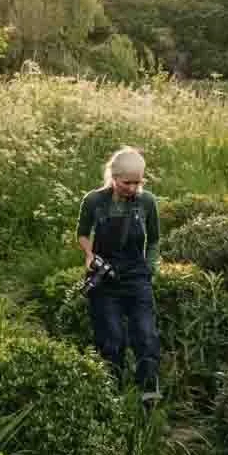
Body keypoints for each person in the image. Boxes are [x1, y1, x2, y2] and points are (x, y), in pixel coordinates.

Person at [76, 147, 161, 406]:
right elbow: (82, 233)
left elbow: (154, 240)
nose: (133, 188)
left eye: (138, 182)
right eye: (128, 182)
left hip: (137, 278)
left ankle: (149, 398)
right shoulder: (93, 201)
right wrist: (89, 255)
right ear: (114, 178)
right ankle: (112, 399)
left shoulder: (147, 202)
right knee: (112, 341)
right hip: (106, 280)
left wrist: (149, 268)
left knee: (146, 338)